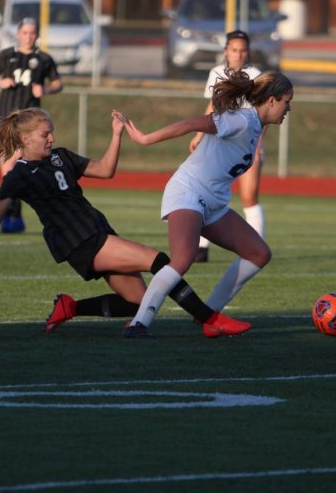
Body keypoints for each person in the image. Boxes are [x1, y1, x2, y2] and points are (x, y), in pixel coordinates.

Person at [0, 107, 251, 340]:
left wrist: (116, 134)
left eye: (51, 132)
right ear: (25, 138)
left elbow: (106, 170)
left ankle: (71, 307)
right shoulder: (17, 174)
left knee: (136, 301)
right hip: (80, 240)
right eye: (45, 134)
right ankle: (210, 320)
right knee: (160, 261)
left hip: (97, 230)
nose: (51, 138)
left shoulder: (61, 157)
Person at [121, 69, 293, 336]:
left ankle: (208, 317)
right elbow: (192, 123)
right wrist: (146, 139)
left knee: (259, 254)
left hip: (213, 204)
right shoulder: (242, 120)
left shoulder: (255, 126)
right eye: (286, 101)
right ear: (271, 100)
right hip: (188, 192)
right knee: (184, 257)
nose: (288, 108)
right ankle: (139, 323)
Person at [188, 30, 264, 263]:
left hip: (245, 144)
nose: (238, 54)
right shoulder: (217, 73)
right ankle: (201, 248)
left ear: (247, 52)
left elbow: (262, 114)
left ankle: (257, 248)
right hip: (220, 144)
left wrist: (257, 146)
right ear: (226, 51)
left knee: (248, 195)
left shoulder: (256, 76)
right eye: (234, 50)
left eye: (243, 50)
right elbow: (213, 106)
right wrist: (199, 135)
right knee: (208, 192)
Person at [0, 18, 63, 234]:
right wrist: (1, 82)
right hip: (5, 121)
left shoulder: (44, 59)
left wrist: (45, 91)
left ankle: (15, 216)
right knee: (10, 169)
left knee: (22, 171)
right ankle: (12, 217)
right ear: (18, 34)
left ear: (37, 36)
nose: (28, 36)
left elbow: (58, 83)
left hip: (30, 125)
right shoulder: (7, 55)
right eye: (25, 32)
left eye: (32, 32)